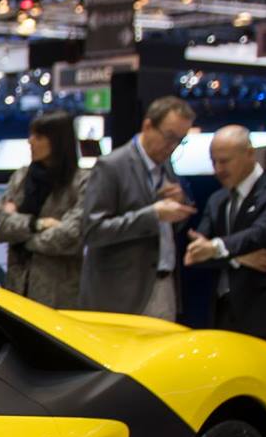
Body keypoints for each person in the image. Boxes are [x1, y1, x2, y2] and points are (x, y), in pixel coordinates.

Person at [80, 96, 198, 318]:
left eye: (180, 141)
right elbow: (92, 231)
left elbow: (173, 224)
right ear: (148, 126)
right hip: (120, 295)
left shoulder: (167, 166)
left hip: (164, 285)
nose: (172, 147)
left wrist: (180, 205)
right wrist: (153, 214)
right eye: (169, 137)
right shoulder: (112, 166)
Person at [182, 125, 266, 348]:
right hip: (223, 311)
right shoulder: (217, 200)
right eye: (213, 161)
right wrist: (237, 259)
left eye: (225, 161)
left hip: (263, 315)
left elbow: (261, 234)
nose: (218, 169)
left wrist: (215, 248)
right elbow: (197, 253)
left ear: (249, 153)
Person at [0, 111, 86, 307]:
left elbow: (71, 236)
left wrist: (22, 236)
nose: (30, 142)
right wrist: (37, 224)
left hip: (59, 294)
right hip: (17, 290)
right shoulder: (21, 178)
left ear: (58, 141)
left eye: (39, 137)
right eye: (31, 135)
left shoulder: (81, 181)